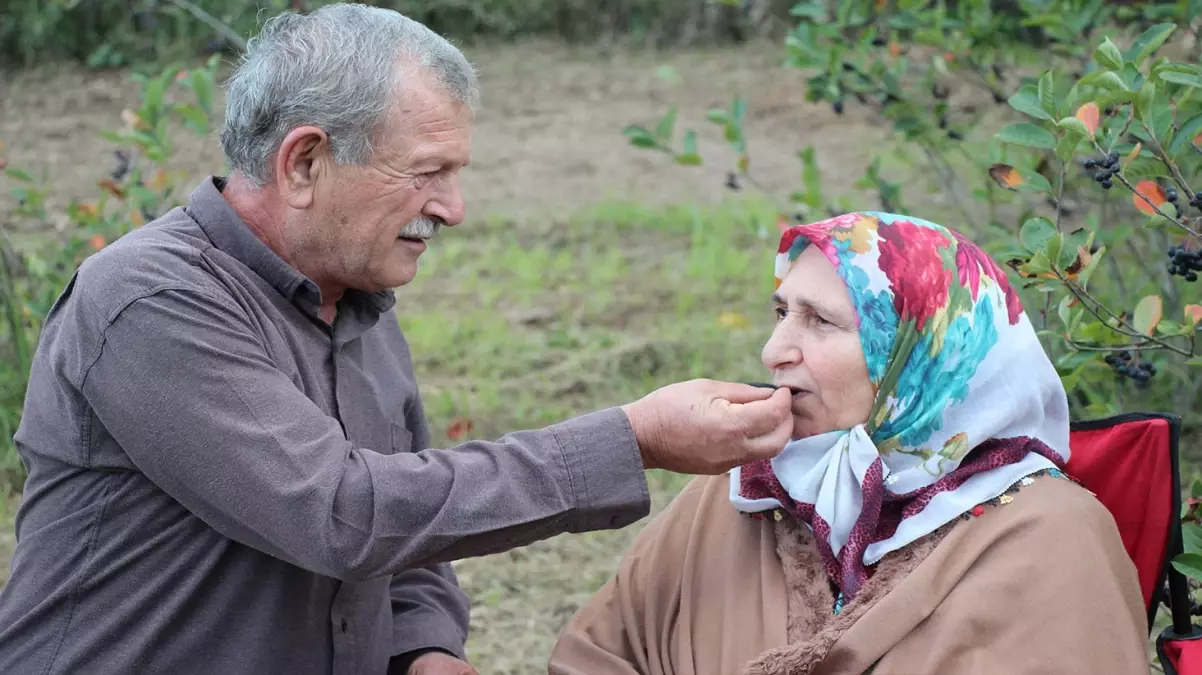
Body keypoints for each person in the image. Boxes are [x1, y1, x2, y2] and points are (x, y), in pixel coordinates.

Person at [0, 5, 795, 675]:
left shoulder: (354, 297)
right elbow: (343, 513)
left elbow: (404, 523)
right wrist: (634, 438)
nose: (453, 208)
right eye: (427, 171)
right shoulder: (149, 300)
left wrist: (424, 648)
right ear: (305, 162)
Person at [549, 212, 1151, 674]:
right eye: (780, 312)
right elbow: (597, 655)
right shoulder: (739, 492)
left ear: (919, 356)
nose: (773, 351)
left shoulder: (1052, 537)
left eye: (821, 321)